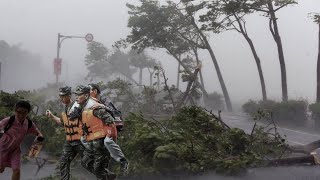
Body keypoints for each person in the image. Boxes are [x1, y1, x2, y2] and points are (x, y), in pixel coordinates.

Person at [72, 85, 128, 179]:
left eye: (79, 95)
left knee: (98, 169)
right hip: (91, 143)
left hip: (101, 144)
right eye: (75, 95)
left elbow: (110, 120)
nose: (76, 97)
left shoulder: (95, 107)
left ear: (86, 96)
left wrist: (109, 137)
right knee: (85, 162)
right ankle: (108, 175)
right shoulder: (81, 108)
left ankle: (107, 174)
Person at [88, 84, 128, 172]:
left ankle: (122, 161)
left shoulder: (104, 100)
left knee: (107, 142)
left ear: (94, 91)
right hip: (96, 130)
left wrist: (103, 106)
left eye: (89, 90)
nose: (87, 93)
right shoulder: (88, 102)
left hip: (109, 126)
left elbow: (114, 111)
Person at [0, 100, 44, 180]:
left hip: (15, 150)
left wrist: (39, 139)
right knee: (1, 169)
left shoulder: (29, 124)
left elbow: (38, 133)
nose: (21, 115)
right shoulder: (8, 121)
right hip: (2, 149)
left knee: (17, 171)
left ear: (28, 112)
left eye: (24, 112)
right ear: (15, 111)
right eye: (19, 112)